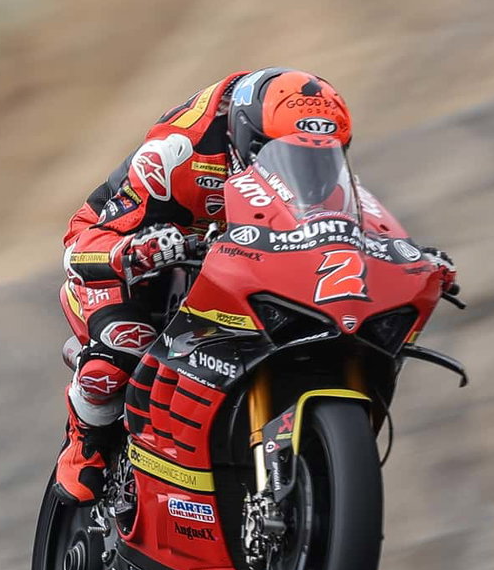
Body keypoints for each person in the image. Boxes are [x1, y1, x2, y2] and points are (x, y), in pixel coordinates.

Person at [53, 68, 355, 503]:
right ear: (245, 142)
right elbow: (82, 248)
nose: (303, 172)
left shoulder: (323, 176)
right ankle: (84, 443)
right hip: (127, 253)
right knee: (120, 352)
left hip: (231, 261)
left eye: (320, 158)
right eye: (286, 157)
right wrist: (138, 252)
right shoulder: (176, 155)